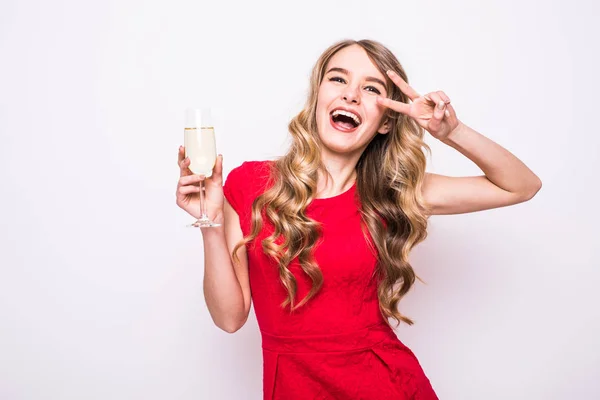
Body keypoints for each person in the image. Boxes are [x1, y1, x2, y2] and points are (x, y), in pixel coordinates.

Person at [175, 39, 541, 400]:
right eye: (338, 79)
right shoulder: (249, 184)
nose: (351, 95)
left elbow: (521, 186)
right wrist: (212, 219)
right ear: (317, 97)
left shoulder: (392, 193)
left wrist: (450, 132)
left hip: (384, 385)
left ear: (385, 122)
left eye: (371, 88)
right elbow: (229, 318)